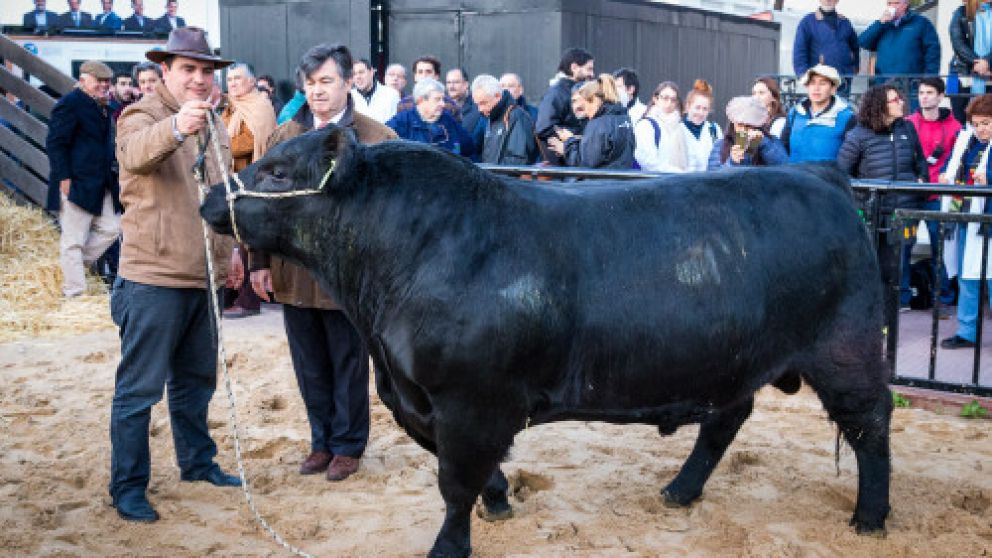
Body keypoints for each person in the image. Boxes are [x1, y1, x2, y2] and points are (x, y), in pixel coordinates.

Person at [110, 27, 240, 523]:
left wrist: (232, 253)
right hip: (152, 277)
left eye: (207, 71)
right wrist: (177, 128)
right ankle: (127, 487)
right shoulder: (142, 113)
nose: (200, 79)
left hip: (203, 277)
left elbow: (220, 196)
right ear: (165, 70)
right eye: (189, 69)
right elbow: (132, 155)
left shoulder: (217, 124)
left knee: (195, 383)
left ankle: (198, 464)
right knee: (138, 390)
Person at [249, 43, 395, 481]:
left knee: (349, 363)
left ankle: (349, 445)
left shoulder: (375, 137)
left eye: (327, 81)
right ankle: (321, 442)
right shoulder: (285, 136)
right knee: (308, 363)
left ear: (349, 83)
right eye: (311, 83)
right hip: (294, 272)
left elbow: (391, 214)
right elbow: (260, 202)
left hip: (350, 277)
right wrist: (258, 260)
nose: (318, 91)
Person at [837, 85, 927, 312]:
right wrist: (862, 196)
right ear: (880, 106)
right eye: (894, 100)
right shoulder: (859, 134)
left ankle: (887, 318)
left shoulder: (907, 127)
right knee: (871, 266)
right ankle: (868, 315)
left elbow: (921, 161)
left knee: (894, 267)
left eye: (900, 98)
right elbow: (842, 171)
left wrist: (921, 179)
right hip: (872, 213)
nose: (901, 102)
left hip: (904, 211)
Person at [45, 60, 122, 298]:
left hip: (101, 183)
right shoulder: (69, 104)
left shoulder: (103, 106)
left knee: (112, 229)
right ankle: (74, 294)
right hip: (75, 182)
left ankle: (70, 268)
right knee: (73, 240)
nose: (104, 85)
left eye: (107, 81)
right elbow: (55, 143)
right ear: (83, 79)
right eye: (99, 81)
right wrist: (64, 178)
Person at [220, 63, 276, 319]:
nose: (232, 83)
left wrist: (220, 144)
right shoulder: (230, 108)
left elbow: (251, 141)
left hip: (254, 181)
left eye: (238, 78)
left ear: (252, 82)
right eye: (229, 79)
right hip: (231, 181)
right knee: (233, 239)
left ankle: (248, 300)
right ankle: (231, 294)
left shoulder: (260, 106)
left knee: (249, 239)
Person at [938, 94, 992, 348]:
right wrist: (945, 177)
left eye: (987, 123)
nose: (981, 128)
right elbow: (952, 166)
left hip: (987, 220)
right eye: (977, 123)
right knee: (968, 277)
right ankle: (967, 331)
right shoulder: (966, 142)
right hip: (965, 216)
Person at [907, 77, 962, 307]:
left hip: (938, 196)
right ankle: (902, 297)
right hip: (910, 195)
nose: (925, 96)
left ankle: (945, 298)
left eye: (930, 92)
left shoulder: (955, 127)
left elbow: (958, 161)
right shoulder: (907, 123)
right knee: (903, 247)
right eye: (921, 92)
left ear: (941, 96)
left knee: (941, 250)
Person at [548, 74, 633, 169]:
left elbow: (586, 164)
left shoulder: (598, 124)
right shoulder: (624, 118)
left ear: (595, 100)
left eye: (584, 106)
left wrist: (566, 146)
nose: (586, 112)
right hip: (622, 180)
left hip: (600, 182)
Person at [782, 64, 855, 162]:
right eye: (812, 83)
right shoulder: (794, 114)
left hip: (827, 176)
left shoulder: (847, 117)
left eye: (822, 83)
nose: (816, 88)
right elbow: (783, 148)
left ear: (833, 89)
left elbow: (851, 158)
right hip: (794, 175)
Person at [535, 47, 595, 164]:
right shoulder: (556, 93)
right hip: (563, 166)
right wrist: (575, 137)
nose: (592, 74)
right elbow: (544, 127)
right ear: (574, 68)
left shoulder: (571, 90)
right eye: (589, 69)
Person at [859, 0, 940, 84]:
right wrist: (879, 23)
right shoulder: (882, 25)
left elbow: (933, 53)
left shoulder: (921, 23)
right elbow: (863, 42)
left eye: (896, 3)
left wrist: (929, 80)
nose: (892, 6)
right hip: (884, 84)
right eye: (889, 3)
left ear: (906, 4)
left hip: (911, 85)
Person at [387, 78, 474, 157]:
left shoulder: (448, 120)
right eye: (437, 99)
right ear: (420, 100)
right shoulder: (400, 122)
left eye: (443, 99)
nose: (443, 104)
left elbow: (470, 150)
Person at [792, 0, 860, 96]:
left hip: (843, 80)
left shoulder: (845, 22)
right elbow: (799, 51)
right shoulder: (807, 22)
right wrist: (803, 75)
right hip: (820, 82)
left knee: (843, 110)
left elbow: (855, 46)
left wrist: (854, 68)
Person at [471, 74, 538, 165]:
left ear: (498, 96)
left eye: (483, 103)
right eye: (478, 104)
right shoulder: (490, 116)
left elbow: (518, 160)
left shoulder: (517, 116)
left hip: (505, 178)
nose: (480, 109)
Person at [707, 96, 788, 170]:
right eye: (739, 124)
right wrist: (732, 162)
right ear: (733, 123)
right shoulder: (720, 145)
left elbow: (784, 167)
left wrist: (764, 143)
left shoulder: (770, 142)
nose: (743, 130)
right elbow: (713, 178)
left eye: (748, 126)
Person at [949, 0, 992, 125]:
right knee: (959, 119)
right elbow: (957, 42)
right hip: (960, 73)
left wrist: (987, 62)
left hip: (988, 73)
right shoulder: (960, 13)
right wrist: (976, 62)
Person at [633, 81, 688, 173]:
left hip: (677, 182)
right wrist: (677, 172)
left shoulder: (679, 127)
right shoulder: (646, 125)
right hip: (654, 183)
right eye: (665, 98)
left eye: (673, 99)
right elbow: (647, 161)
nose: (669, 103)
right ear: (655, 99)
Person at [394, 56, 461, 120]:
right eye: (420, 72)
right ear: (415, 77)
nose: (424, 76)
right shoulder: (404, 104)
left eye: (428, 72)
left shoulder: (450, 105)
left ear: (436, 76)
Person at [682, 80, 722, 173]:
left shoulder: (714, 130)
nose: (701, 113)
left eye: (705, 109)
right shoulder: (677, 130)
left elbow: (720, 159)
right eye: (697, 107)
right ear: (688, 106)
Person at [350, 58, 400, 123]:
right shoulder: (348, 98)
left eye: (361, 72)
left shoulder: (391, 94)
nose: (358, 77)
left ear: (371, 72)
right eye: (354, 74)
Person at [446, 67, 484, 149]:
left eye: (456, 82)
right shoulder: (442, 108)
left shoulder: (479, 107)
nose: (451, 86)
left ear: (466, 84)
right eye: (448, 82)